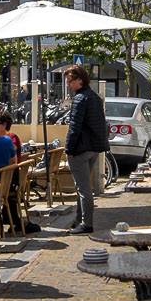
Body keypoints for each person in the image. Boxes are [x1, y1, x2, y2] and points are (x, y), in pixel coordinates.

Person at [64, 64, 108, 232]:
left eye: (70, 81)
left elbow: (74, 127)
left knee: (83, 188)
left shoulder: (80, 99)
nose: (69, 85)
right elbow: (100, 124)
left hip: (80, 149)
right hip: (93, 148)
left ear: (80, 81)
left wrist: (69, 148)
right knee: (82, 187)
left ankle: (86, 224)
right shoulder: (95, 97)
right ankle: (78, 219)